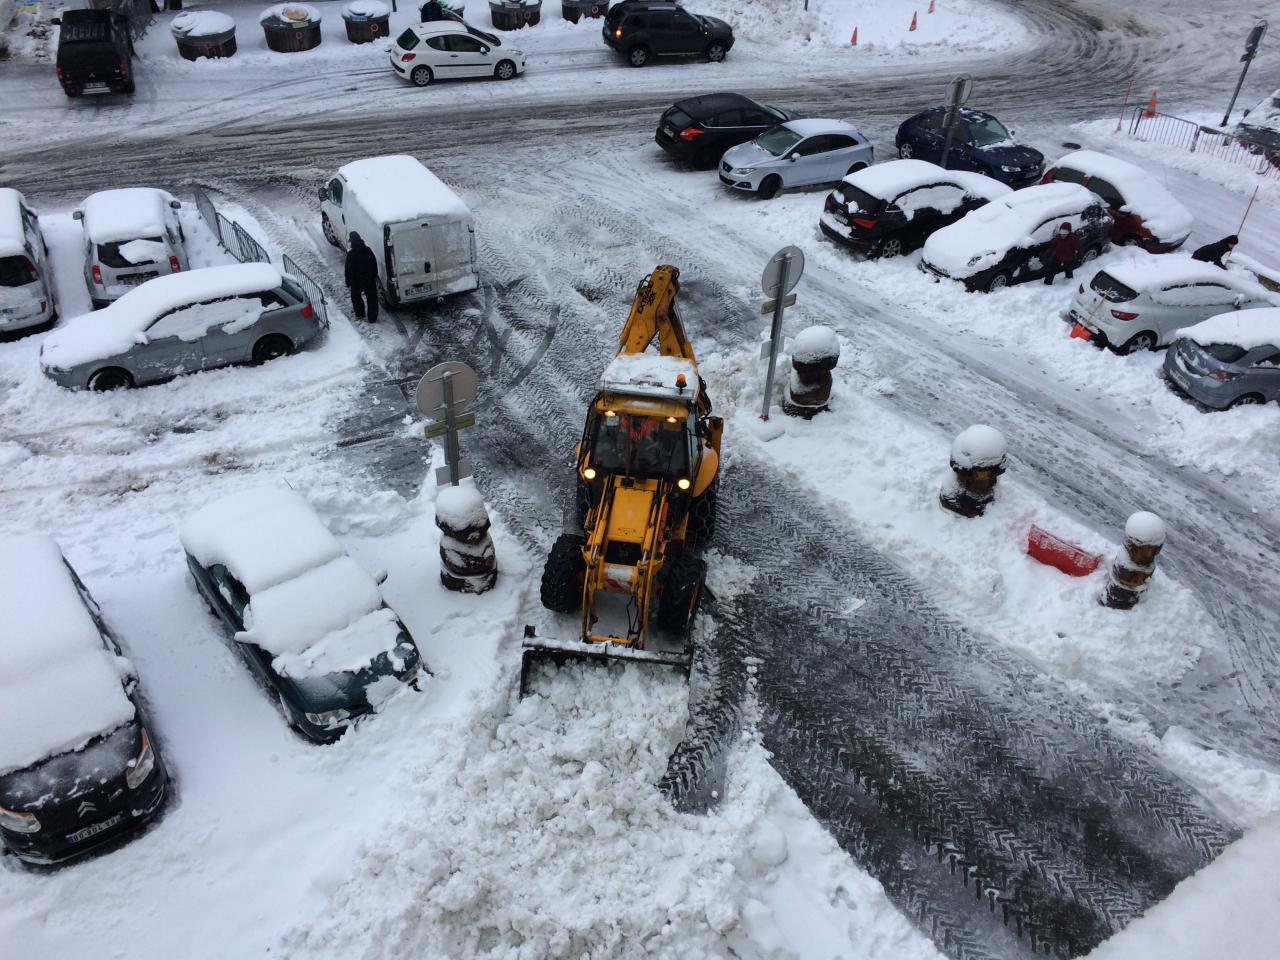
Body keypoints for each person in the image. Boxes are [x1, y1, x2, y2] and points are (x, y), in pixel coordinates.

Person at [344, 232, 379, 323]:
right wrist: (374, 276)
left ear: (352, 242)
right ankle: (372, 318)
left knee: (356, 297)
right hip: (369, 279)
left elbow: (348, 269)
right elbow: (374, 264)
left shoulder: (351, 254)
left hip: (356, 281)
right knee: (372, 299)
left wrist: (348, 282)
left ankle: (360, 314)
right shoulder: (368, 250)